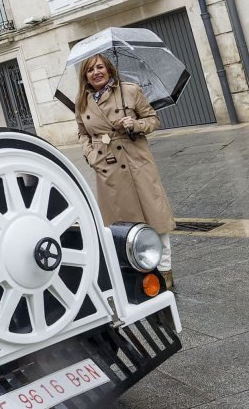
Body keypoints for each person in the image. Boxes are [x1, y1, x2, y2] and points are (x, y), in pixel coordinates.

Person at [75, 54, 176, 289]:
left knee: (154, 216)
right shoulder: (82, 101)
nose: (96, 72)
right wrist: (91, 155)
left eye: (100, 67)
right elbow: (82, 133)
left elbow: (153, 119)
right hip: (107, 164)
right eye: (90, 70)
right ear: (85, 76)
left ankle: (165, 270)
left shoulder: (129, 91)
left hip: (135, 160)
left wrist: (136, 124)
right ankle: (136, 271)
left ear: (109, 69)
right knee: (121, 224)